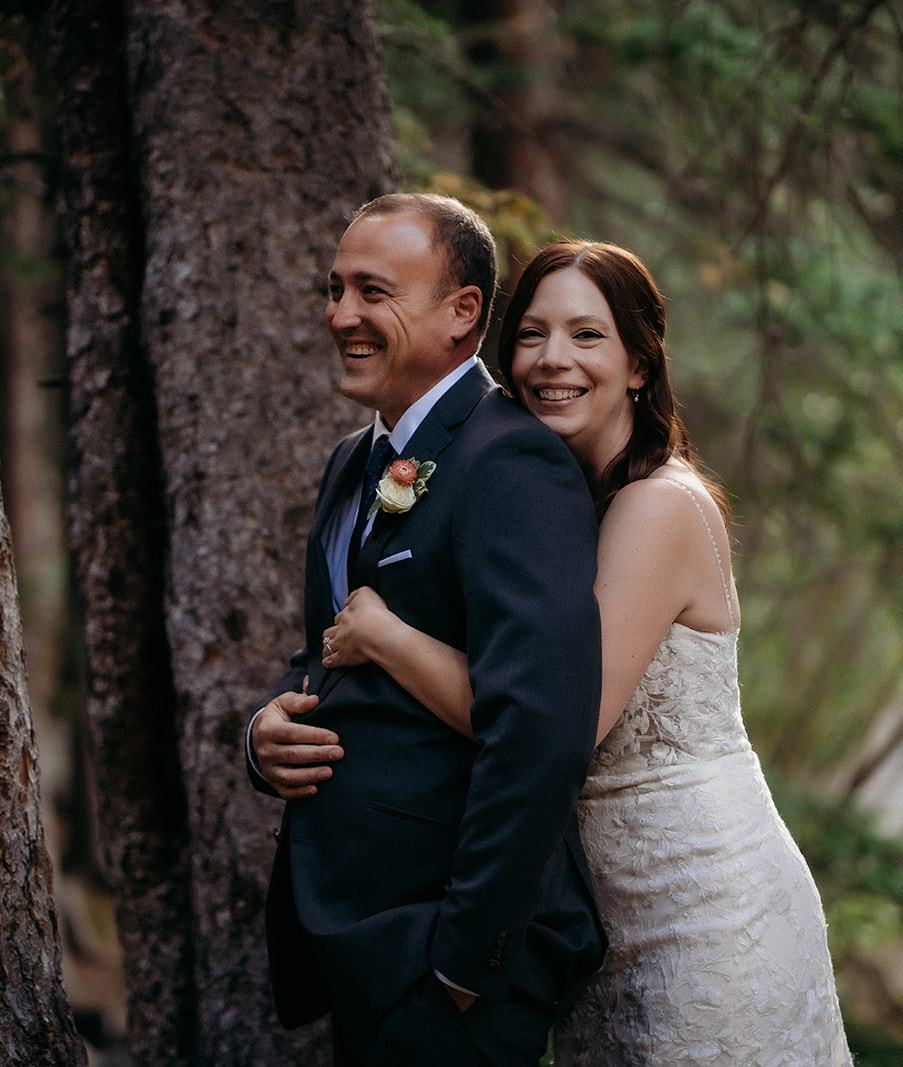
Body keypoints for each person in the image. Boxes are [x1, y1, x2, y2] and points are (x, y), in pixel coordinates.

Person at [320, 240, 855, 1064]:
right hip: (596, 913)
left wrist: (387, 637)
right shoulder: (568, 501)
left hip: (698, 908)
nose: (550, 360)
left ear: (640, 363)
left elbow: (561, 718)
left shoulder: (655, 507)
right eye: (531, 334)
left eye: (587, 335)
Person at [247, 196, 607, 1066]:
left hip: (446, 957)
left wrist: (463, 961)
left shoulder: (510, 461)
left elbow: (542, 731)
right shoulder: (354, 460)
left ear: (463, 312)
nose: (341, 314)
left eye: (373, 290)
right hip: (359, 942)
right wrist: (265, 733)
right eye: (335, 289)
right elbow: (327, 649)